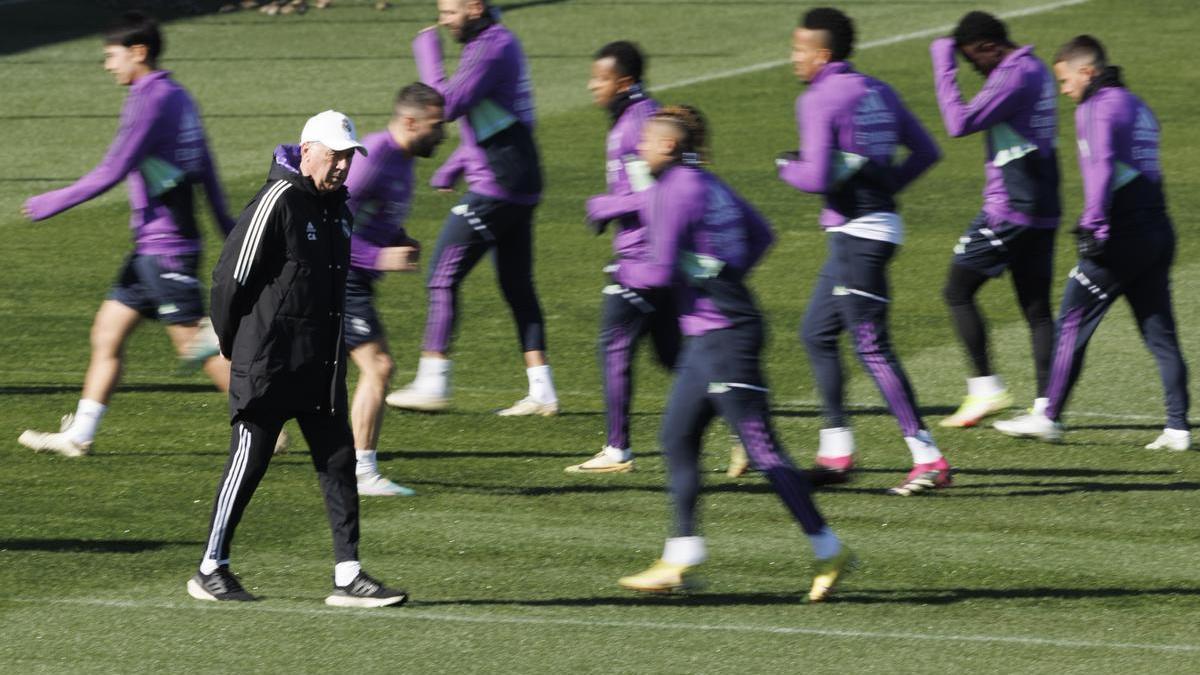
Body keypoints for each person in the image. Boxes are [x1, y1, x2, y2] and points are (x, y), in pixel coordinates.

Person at [616, 106, 854, 602]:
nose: (637, 149)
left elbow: (658, 272)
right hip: (709, 336)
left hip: (725, 337)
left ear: (666, 147)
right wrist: (720, 271)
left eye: (644, 142)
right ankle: (681, 556)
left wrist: (625, 272)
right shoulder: (708, 184)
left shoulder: (672, 189)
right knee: (677, 436)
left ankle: (828, 547)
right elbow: (763, 234)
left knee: (764, 451)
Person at [187, 111, 406, 607]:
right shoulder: (278, 202)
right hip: (268, 361)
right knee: (251, 460)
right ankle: (210, 567)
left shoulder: (338, 210)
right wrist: (230, 342)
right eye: (334, 156)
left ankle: (348, 574)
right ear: (308, 151)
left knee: (339, 462)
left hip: (319, 366)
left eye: (349, 158)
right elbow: (230, 279)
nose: (342, 168)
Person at [18, 12, 235, 457]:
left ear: (138, 52)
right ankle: (80, 435)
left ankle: (263, 424)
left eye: (110, 56)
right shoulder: (178, 95)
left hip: (165, 249)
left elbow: (112, 170)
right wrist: (227, 228)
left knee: (194, 345)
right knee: (107, 333)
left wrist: (51, 202)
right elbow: (206, 168)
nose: (106, 65)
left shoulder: (147, 99)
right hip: (153, 249)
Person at [779, 7, 949, 495]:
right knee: (816, 332)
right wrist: (886, 185)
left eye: (799, 49)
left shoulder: (818, 99)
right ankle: (835, 454)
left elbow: (812, 178)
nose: (793, 58)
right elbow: (927, 152)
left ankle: (929, 457)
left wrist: (783, 166)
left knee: (872, 345)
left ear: (822, 54)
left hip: (860, 234)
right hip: (869, 229)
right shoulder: (876, 89)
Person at [994, 36, 1189, 448]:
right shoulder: (1136, 105)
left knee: (1070, 318)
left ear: (1087, 71)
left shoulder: (1095, 109)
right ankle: (1177, 428)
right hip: (1158, 230)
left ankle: (1048, 416)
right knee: (1160, 332)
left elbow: (1100, 167)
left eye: (1065, 80)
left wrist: (1092, 226)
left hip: (1122, 234)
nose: (1063, 91)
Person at [386, 0, 558, 416]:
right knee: (517, 286)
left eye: (449, 12)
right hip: (517, 178)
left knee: (441, 274)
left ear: (475, 7)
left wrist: (427, 54)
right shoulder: (491, 42)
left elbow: (444, 106)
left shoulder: (491, 47)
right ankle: (542, 391)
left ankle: (433, 381)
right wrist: (456, 164)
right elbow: (497, 116)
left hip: (499, 183)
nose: (443, 22)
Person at [930, 11, 1061, 428]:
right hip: (1043, 203)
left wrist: (943, 62)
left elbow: (958, 122)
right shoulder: (1034, 67)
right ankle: (1046, 412)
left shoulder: (1013, 74)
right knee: (1037, 309)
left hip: (1012, 207)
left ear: (989, 46)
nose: (974, 68)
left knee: (956, 290)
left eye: (973, 59)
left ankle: (985, 388)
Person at [564, 40, 678, 474]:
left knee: (613, 345)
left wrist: (605, 207)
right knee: (673, 357)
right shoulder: (635, 117)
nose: (592, 86)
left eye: (601, 79)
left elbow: (655, 196)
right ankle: (742, 429)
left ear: (624, 82)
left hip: (641, 258)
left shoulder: (638, 124)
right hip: (653, 257)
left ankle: (617, 449)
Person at [341, 83, 446, 495]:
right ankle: (361, 472)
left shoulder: (402, 161)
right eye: (436, 126)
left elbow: (375, 217)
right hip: (337, 277)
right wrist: (379, 258)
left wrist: (399, 237)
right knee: (379, 367)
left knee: (307, 373)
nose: (442, 135)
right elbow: (330, 224)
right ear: (409, 121)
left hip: (354, 277)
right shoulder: (374, 159)